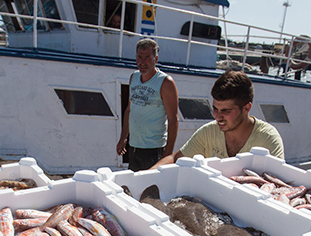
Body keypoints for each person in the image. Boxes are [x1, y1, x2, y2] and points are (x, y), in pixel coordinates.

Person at [150, 70, 284, 169]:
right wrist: (144, 176)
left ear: (246, 108)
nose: (217, 117)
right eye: (215, 109)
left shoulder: (268, 139)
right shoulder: (208, 132)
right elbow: (175, 158)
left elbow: (276, 183)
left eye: (226, 111)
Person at [116, 39, 179, 171]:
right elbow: (129, 109)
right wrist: (123, 138)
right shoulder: (133, 77)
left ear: (155, 59)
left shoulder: (165, 82)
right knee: (134, 186)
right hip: (134, 147)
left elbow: (173, 119)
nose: (142, 62)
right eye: (139, 57)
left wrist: (168, 153)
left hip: (154, 149)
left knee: (152, 189)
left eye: (147, 58)